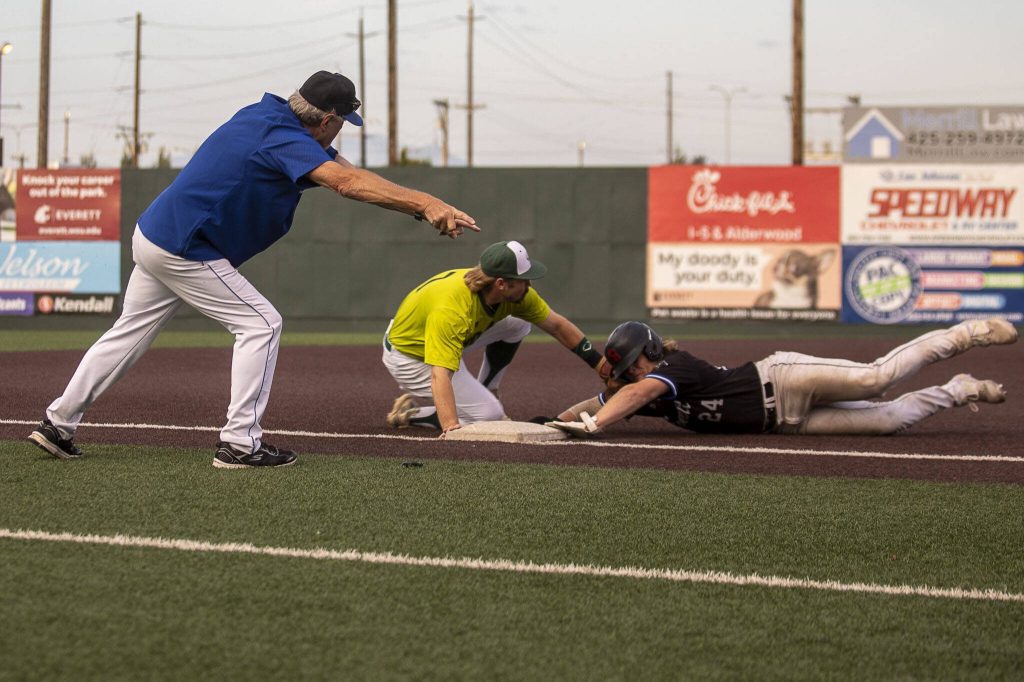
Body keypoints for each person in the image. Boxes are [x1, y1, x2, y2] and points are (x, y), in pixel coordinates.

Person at [28, 71, 478, 469]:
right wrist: (426, 202)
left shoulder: (267, 116)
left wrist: (420, 207)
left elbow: (346, 169)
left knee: (126, 334)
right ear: (325, 121)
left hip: (154, 235)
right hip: (186, 247)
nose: (341, 130)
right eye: (341, 122)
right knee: (262, 324)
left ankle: (58, 423)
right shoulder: (285, 140)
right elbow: (344, 182)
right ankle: (240, 443)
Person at [547, 318, 1017, 437]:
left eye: (634, 363)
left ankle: (966, 333)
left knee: (877, 379)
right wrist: (548, 425)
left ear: (650, 352)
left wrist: (596, 425)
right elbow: (592, 404)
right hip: (785, 423)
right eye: (626, 369)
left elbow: (637, 394)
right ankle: (959, 389)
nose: (632, 373)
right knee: (889, 420)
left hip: (783, 380)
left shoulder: (675, 367)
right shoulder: (637, 389)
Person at [382, 240, 611, 437]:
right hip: (410, 357)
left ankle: (487, 387)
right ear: (501, 284)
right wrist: (452, 428)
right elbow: (439, 374)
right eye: (523, 279)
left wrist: (601, 366)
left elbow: (558, 326)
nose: (529, 284)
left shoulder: (514, 295)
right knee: (490, 415)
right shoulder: (452, 311)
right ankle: (413, 414)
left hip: (439, 338)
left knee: (519, 323)